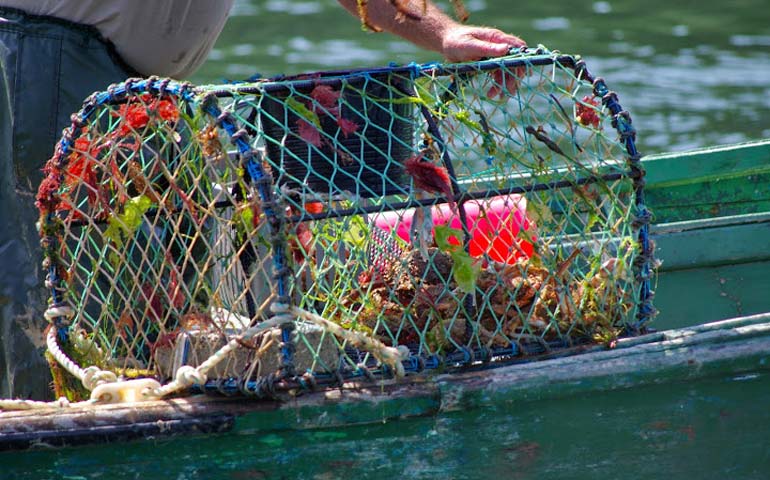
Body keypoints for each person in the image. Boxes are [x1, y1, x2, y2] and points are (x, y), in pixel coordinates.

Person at [0, 0, 524, 400]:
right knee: (61, 278)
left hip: (138, 83)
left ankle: (137, 416)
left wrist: (445, 32)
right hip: (49, 55)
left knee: (166, 271)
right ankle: (57, 437)